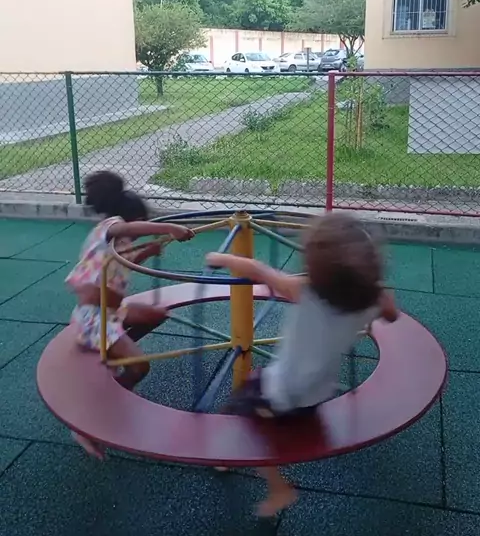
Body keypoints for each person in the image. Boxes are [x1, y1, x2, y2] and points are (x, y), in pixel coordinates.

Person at [207, 212, 398, 518]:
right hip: (318, 393)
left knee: (238, 417)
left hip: (280, 392)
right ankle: (241, 451)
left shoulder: (304, 291)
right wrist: (378, 292)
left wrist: (220, 257)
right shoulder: (370, 300)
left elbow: (258, 270)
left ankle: (278, 487)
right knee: (268, 413)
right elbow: (391, 315)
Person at [66, 170, 194, 458]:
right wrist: (169, 228)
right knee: (140, 367)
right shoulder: (108, 228)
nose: (141, 229)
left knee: (156, 314)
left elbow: (127, 257)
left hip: (112, 312)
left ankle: (114, 351)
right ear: (129, 219)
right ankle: (90, 420)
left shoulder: (118, 245)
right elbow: (124, 229)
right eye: (141, 223)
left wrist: (148, 251)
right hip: (94, 317)